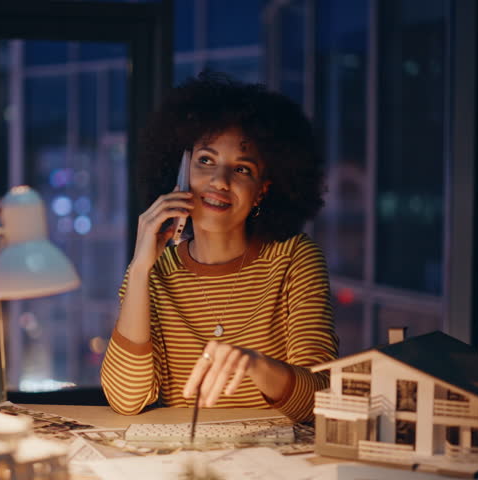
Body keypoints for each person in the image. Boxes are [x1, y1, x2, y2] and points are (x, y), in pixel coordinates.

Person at [100, 72, 338, 423]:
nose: (219, 181)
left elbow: (322, 401)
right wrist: (139, 271)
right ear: (181, 173)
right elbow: (125, 400)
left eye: (241, 169)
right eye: (205, 161)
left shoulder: (293, 258)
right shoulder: (153, 272)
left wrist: (254, 364)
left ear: (263, 189)